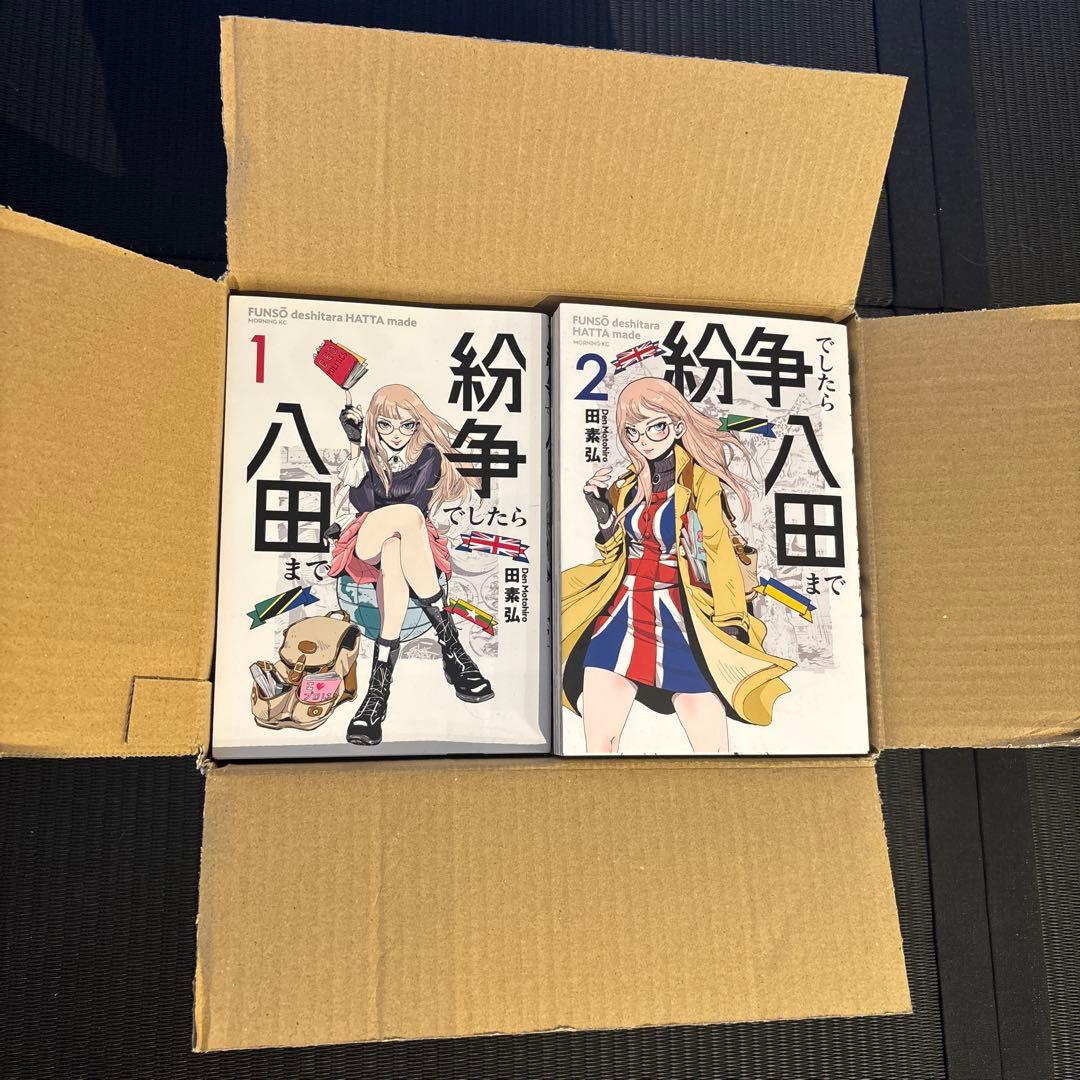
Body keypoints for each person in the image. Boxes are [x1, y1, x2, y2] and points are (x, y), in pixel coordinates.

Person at [560, 377, 795, 753]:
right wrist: (604, 515)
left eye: (655, 427)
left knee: (711, 750)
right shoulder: (626, 485)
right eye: (632, 432)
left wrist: (731, 618)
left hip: (680, 616)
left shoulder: (700, 481)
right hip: (621, 612)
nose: (643, 440)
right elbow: (614, 555)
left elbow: (717, 550)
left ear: (679, 426)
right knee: (599, 745)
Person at [327, 384, 493, 746]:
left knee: (395, 548)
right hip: (366, 538)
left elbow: (416, 500)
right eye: (385, 425)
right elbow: (361, 500)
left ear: (418, 424)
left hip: (407, 545)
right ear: (374, 423)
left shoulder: (428, 456)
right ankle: (451, 644)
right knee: (402, 521)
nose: (396, 434)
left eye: (406, 425)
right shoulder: (366, 455)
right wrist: (356, 445)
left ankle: (377, 692)